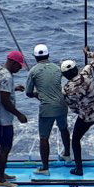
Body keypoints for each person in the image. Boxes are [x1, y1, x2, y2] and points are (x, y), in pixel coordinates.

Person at [25, 44, 70, 175]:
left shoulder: (33, 71)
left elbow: (28, 93)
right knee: (64, 129)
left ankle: (45, 168)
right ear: (48, 55)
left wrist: (36, 94)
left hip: (46, 109)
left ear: (35, 57)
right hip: (62, 105)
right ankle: (67, 154)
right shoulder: (57, 68)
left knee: (44, 137)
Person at [0, 50, 29, 187]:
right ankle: (0, 179)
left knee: (4, 145)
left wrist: (13, 88)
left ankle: (0, 172)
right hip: (2, 118)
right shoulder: (7, 77)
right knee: (5, 146)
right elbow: (5, 101)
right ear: (12, 62)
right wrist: (19, 114)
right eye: (18, 65)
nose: (19, 68)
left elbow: (1, 90)